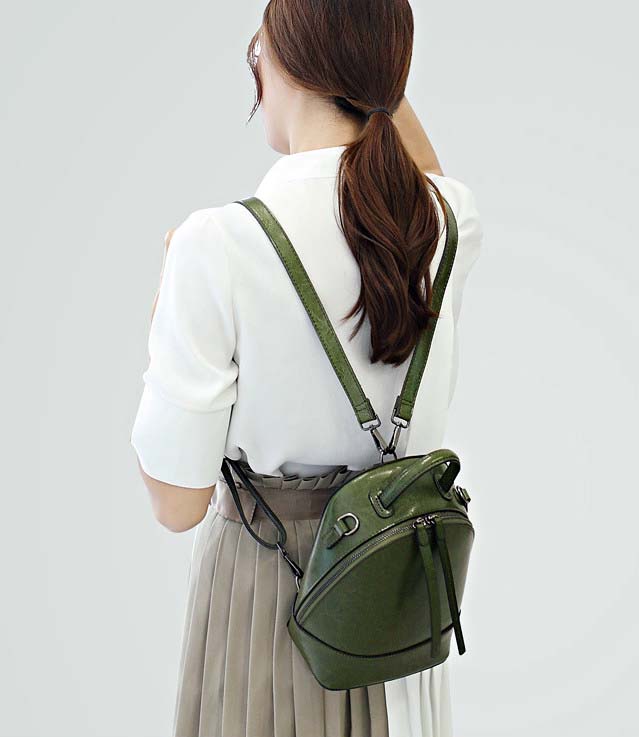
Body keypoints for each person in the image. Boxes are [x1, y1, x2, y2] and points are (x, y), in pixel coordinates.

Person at [130, 2, 483, 736]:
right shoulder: (445, 222)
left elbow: (176, 503)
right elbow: (422, 170)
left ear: (281, 59)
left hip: (269, 607)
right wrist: (371, 67)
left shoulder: (215, 245)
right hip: (396, 609)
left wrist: (169, 301)